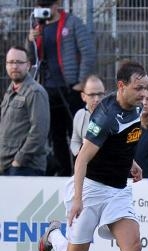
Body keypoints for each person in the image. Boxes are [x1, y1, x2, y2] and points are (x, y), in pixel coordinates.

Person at [38, 61, 148, 251]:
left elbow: (122, 143)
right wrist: (77, 199)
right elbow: (82, 158)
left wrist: (131, 164)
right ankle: (53, 233)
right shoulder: (106, 116)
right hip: (91, 189)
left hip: (119, 190)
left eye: (146, 87)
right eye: (138, 88)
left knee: (132, 245)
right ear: (122, 86)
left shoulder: (135, 107)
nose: (144, 94)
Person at [28, 0, 96, 176]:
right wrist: (32, 40)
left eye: (48, 6)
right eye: (41, 6)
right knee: (56, 136)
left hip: (70, 89)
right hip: (47, 90)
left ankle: (82, 173)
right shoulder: (39, 27)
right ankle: (65, 173)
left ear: (57, 4)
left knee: (77, 134)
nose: (45, 10)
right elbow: (32, 59)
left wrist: (80, 83)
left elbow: (88, 52)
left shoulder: (72, 23)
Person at [0, 46, 50, 176]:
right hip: (6, 165)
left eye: (19, 62)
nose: (14, 66)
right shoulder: (10, 92)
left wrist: (19, 160)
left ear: (28, 65)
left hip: (26, 167)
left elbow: (39, 132)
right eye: (10, 62)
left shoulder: (35, 92)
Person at [70, 74, 105, 157]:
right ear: (83, 96)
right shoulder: (79, 115)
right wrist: (81, 156)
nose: (96, 99)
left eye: (100, 94)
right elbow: (75, 141)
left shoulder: (114, 115)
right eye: (92, 95)